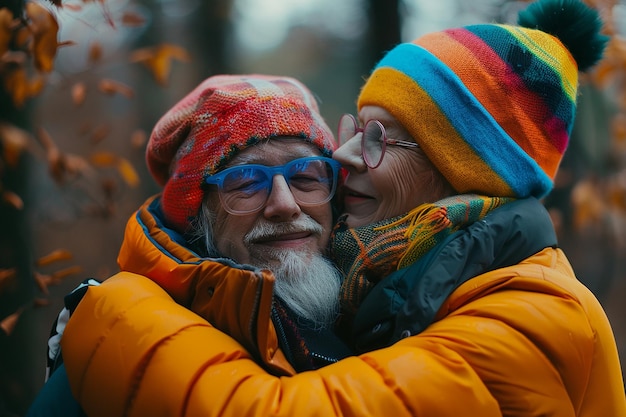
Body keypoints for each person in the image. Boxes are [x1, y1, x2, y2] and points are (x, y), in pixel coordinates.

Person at [57, 0, 626, 415]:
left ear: (459, 172)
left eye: (380, 137)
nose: (345, 153)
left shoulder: (534, 311)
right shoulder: (385, 289)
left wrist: (114, 318)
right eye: (247, 182)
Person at [26, 74, 352, 416]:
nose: (285, 204)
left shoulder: (376, 297)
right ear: (197, 216)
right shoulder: (121, 340)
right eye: (246, 182)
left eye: (305, 177)